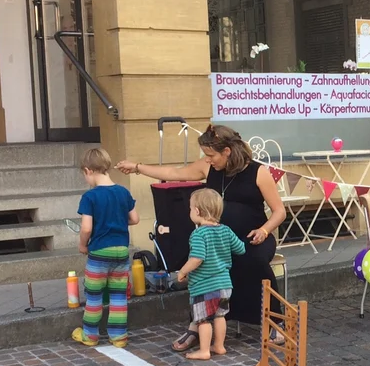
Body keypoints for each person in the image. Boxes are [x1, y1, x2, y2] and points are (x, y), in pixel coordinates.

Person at [115, 125, 286, 352]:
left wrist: (264, 230)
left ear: (227, 151)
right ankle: (197, 323)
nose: (208, 160)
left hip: (253, 237)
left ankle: (275, 320)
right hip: (217, 239)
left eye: (211, 155)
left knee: (254, 261)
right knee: (201, 264)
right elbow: (173, 174)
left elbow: (279, 211)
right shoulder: (209, 168)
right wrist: (137, 167)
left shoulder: (258, 172)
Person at [72, 148, 140, 348]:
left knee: (95, 296)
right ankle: (119, 337)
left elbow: (86, 228)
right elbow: (134, 219)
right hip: (121, 250)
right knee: (119, 296)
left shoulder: (90, 197)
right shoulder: (123, 192)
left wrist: (83, 244)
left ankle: (90, 335)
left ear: (88, 170)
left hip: (99, 252)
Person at [176, 189, 248, 361]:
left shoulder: (198, 234)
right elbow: (241, 248)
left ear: (198, 211)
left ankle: (204, 350)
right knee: (220, 316)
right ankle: (219, 346)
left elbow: (197, 258)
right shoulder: (226, 230)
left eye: (191, 208)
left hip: (204, 285)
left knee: (203, 320)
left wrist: (183, 271)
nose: (190, 212)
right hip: (224, 284)